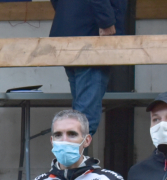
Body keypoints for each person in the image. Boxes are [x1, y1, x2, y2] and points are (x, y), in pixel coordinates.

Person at [49, 0, 127, 136]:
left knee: (80, 112)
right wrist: (106, 21)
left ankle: (70, 147)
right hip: (92, 35)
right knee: (85, 118)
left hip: (70, 30)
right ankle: (71, 148)